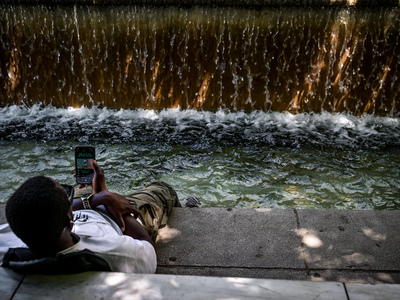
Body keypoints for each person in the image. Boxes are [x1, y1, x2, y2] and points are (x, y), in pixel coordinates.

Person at [0, 160, 181, 273]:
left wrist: (94, 199)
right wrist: (108, 200)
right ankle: (188, 206)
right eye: (66, 196)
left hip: (90, 204)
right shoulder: (118, 253)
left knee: (85, 186)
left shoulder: (7, 241)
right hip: (122, 219)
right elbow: (145, 243)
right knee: (161, 189)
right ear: (67, 222)